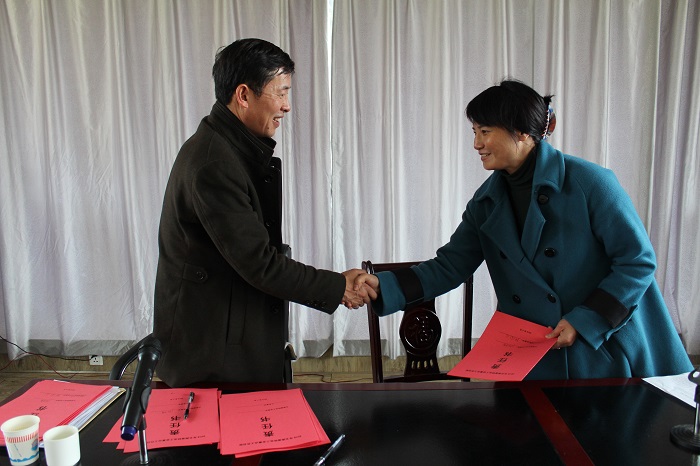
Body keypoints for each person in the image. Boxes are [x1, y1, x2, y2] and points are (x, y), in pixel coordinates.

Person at [354, 80, 693, 379]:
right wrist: (382, 286)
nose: (476, 144)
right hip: (531, 356)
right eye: (474, 132)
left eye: (485, 131)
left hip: (601, 347)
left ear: (521, 132)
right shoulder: (485, 203)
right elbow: (449, 266)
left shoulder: (590, 183)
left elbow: (637, 262)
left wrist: (585, 321)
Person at [153, 38, 364, 387]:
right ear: (244, 95)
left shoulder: (227, 148)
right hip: (212, 357)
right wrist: (338, 286)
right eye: (280, 93)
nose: (287, 106)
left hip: (229, 341)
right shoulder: (213, 164)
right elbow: (259, 264)